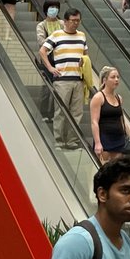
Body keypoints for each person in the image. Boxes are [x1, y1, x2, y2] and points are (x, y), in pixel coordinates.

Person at [39, 8, 88, 151]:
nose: (75, 23)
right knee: (61, 111)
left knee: (77, 112)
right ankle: (59, 141)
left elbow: (85, 54)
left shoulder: (82, 36)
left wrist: (84, 65)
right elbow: (42, 51)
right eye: (73, 21)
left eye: (78, 20)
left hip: (78, 79)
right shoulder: (57, 35)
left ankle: (72, 141)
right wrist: (50, 68)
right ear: (65, 21)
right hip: (62, 79)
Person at [90, 66, 128, 162]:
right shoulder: (98, 97)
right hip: (104, 138)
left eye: (118, 77)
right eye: (113, 77)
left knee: (118, 171)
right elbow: (94, 121)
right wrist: (98, 143)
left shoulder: (119, 98)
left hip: (119, 138)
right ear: (104, 80)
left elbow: (121, 119)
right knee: (104, 170)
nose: (116, 80)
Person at [35, 0, 63, 124]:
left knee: (58, 88)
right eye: (51, 7)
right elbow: (41, 41)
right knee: (46, 88)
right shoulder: (41, 25)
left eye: (56, 7)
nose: (54, 10)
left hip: (61, 60)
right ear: (46, 10)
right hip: (47, 60)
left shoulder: (62, 23)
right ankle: (44, 112)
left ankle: (54, 112)